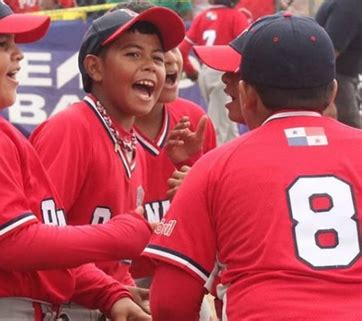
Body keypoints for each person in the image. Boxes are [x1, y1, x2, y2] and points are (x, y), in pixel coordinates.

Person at [0, 0, 155, 320]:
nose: (18, 54)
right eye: (0, 44)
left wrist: (107, 293)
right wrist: (118, 235)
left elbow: (37, 239)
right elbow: (13, 245)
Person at [144, 12, 362, 321]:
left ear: (247, 93)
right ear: (333, 94)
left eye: (233, 76)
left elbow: (169, 303)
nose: (225, 82)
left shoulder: (218, 165)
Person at [30, 6, 185, 320]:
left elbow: (115, 258)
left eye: (157, 57)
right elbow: (40, 244)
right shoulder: (71, 129)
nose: (150, 66)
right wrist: (110, 291)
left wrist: (124, 287)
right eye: (132, 54)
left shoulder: (130, 143)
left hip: (98, 303)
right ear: (95, 68)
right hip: (56, 307)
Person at [179, 0, 249, 145]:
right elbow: (248, 47)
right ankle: (214, 162)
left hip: (206, 70)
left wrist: (191, 71)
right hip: (225, 72)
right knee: (220, 125)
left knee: (229, 125)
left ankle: (233, 156)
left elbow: (182, 49)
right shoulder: (236, 16)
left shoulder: (202, 16)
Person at [316, 0, 362, 129]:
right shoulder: (350, 7)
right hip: (336, 81)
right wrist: (328, 101)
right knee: (353, 136)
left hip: (345, 79)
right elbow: (325, 56)